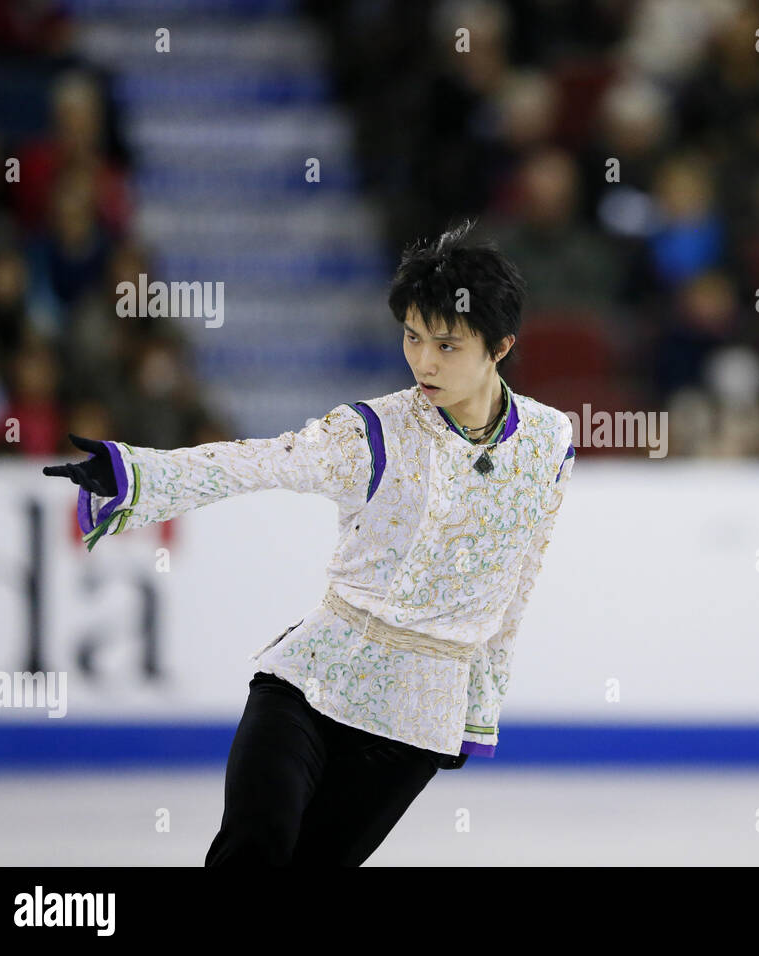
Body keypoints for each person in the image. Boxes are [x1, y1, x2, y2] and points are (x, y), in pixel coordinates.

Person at [43, 219, 576, 865]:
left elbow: (515, 583)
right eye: (411, 337)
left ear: (499, 346)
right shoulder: (373, 433)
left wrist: (479, 707)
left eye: (447, 344)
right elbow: (261, 461)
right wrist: (138, 473)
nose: (423, 361)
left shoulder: (547, 441)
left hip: (414, 719)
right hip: (310, 684)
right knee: (253, 846)